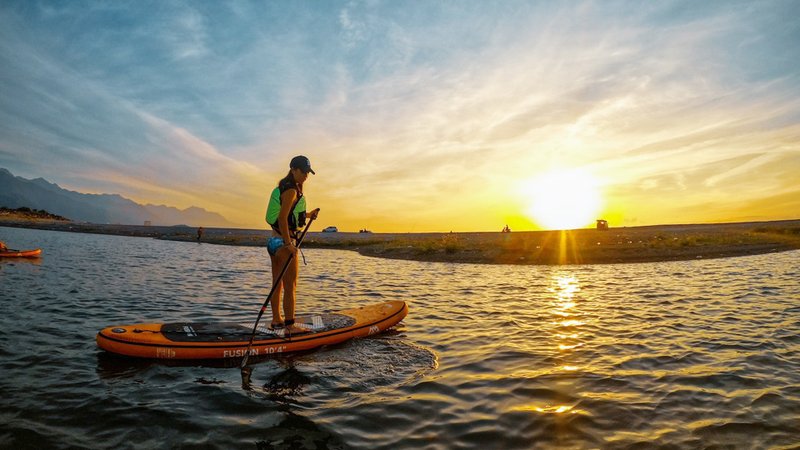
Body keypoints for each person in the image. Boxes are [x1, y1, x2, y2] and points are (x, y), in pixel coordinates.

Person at [265, 155, 320, 334]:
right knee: (290, 286)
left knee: (277, 284)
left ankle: (276, 320)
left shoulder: (283, 187)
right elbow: (282, 218)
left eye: (308, 172)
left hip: (273, 241)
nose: (306, 175)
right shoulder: (291, 190)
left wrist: (308, 215)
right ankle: (290, 326)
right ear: (293, 170)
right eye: (303, 172)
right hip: (284, 244)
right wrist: (289, 244)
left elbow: (289, 215)